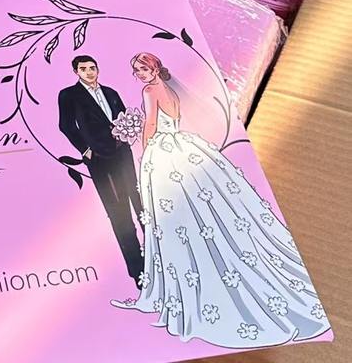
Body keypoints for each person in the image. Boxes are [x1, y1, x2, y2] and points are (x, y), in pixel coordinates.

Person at [113, 52, 330, 349]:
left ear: (153, 69)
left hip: (163, 154)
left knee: (178, 219)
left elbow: (151, 125)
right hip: (185, 146)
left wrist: (143, 151)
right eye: (135, 69)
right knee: (201, 213)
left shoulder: (150, 91)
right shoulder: (169, 88)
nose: (138, 73)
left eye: (142, 68)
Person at [58, 55, 144, 285]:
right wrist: (86, 150)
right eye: (83, 69)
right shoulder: (69, 95)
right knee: (118, 211)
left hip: (122, 153)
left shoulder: (111, 92)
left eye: (92, 68)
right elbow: (66, 125)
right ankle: (137, 269)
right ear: (76, 71)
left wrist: (127, 135)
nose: (89, 72)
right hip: (99, 159)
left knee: (139, 201)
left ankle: (156, 258)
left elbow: (124, 118)